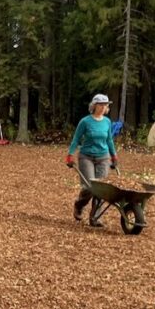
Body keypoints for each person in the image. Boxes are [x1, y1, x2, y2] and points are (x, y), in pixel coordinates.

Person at [66, 93, 118, 227]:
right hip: (86, 157)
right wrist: (70, 155)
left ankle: (95, 218)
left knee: (100, 189)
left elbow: (109, 140)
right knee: (89, 187)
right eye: (100, 105)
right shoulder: (85, 121)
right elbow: (76, 139)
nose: (103, 107)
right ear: (94, 106)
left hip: (103, 157)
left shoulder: (107, 122)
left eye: (105, 105)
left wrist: (114, 156)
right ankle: (79, 204)